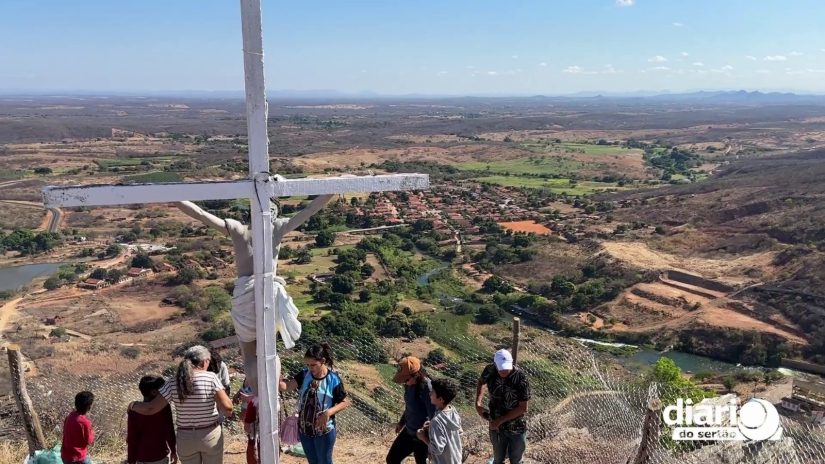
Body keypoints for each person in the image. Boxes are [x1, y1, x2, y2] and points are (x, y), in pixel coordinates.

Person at [176, 196, 333, 395]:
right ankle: (272, 396)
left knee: (249, 352)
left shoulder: (238, 229)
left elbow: (200, 214)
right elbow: (309, 210)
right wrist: (333, 190)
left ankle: (259, 395)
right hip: (268, 292)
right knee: (270, 349)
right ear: (274, 212)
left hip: (245, 294)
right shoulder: (277, 228)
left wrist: (174, 198)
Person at [131, 345, 234, 464]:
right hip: (210, 434)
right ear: (204, 361)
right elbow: (228, 408)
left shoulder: (173, 382)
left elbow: (151, 408)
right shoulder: (211, 378)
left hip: (185, 438)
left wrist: (133, 405)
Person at [279, 343, 350, 464]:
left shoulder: (333, 380)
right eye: (307, 365)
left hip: (324, 431)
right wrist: (275, 376)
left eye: (313, 365)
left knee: (324, 461)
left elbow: (345, 402)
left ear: (322, 361)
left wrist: (328, 413)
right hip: (305, 431)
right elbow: (287, 387)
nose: (310, 368)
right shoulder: (304, 374)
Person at [475, 349, 531, 464]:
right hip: (496, 425)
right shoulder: (489, 370)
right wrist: (478, 403)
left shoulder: (520, 378)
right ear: (495, 364)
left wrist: (500, 421)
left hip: (516, 426)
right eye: (501, 368)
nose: (504, 371)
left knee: (516, 460)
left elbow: (523, 408)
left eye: (507, 368)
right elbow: (481, 382)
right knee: (498, 459)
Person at [386, 357, 436, 464]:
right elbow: (410, 407)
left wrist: (429, 440)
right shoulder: (409, 386)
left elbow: (434, 416)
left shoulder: (428, 389)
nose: (405, 383)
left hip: (422, 435)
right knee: (392, 459)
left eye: (406, 380)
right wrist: (401, 422)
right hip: (409, 430)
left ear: (416, 375)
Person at [127, 376, 177, 464]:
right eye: (163, 391)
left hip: (141, 457)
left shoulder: (134, 409)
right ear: (154, 392)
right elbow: (169, 430)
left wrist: (131, 461)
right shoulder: (164, 407)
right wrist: (173, 451)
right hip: (160, 455)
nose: (165, 394)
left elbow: (132, 439)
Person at [416, 378, 462, 464]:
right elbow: (459, 431)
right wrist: (432, 426)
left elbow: (437, 449)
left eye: (432, 392)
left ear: (440, 399)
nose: (430, 394)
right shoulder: (452, 410)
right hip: (456, 459)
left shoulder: (436, 421)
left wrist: (423, 437)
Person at [61, 391, 95, 464]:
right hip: (78, 458)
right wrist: (92, 431)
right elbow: (89, 441)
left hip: (65, 456)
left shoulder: (70, 416)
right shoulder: (85, 423)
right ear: (89, 407)